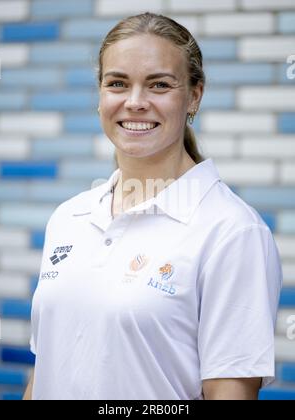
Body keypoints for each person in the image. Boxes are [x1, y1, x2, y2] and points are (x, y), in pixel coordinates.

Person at [23, 12, 282, 400]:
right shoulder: (69, 218)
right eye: (117, 83)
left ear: (194, 96)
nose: (135, 102)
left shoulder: (232, 232)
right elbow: (46, 371)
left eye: (159, 84)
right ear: (100, 95)